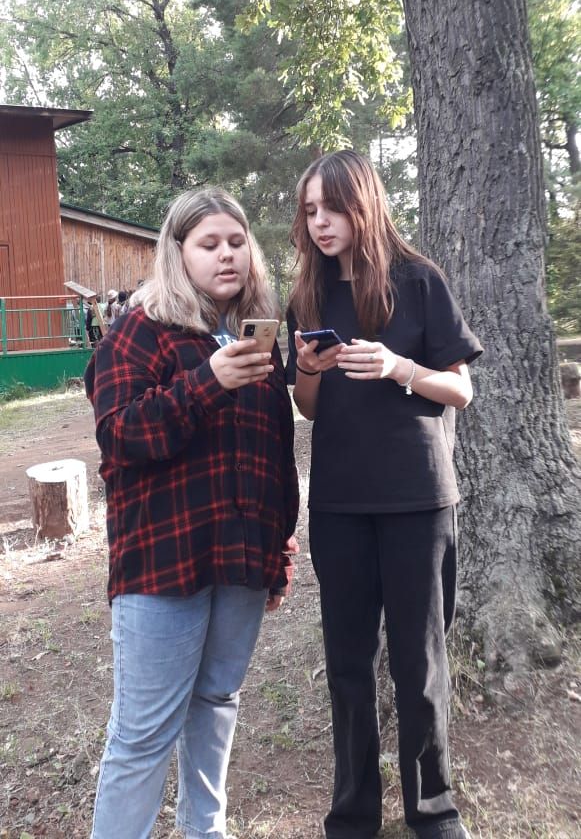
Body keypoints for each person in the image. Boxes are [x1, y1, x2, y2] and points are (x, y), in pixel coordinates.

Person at [85, 188, 299, 839]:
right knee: (143, 733)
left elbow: (274, 452)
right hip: (162, 561)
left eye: (236, 242)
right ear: (177, 253)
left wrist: (279, 550)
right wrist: (209, 381)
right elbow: (120, 434)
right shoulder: (139, 330)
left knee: (217, 701)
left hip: (240, 559)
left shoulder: (256, 337)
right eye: (209, 244)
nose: (226, 254)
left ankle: (206, 830)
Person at [286, 150, 482, 839]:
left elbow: (460, 390)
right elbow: (309, 407)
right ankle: (352, 813)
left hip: (417, 501)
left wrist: (400, 367)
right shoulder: (307, 296)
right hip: (338, 503)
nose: (320, 222)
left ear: (362, 204)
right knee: (347, 665)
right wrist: (308, 369)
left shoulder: (419, 281)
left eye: (332, 207)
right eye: (310, 210)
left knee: (418, 664)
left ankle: (433, 811)